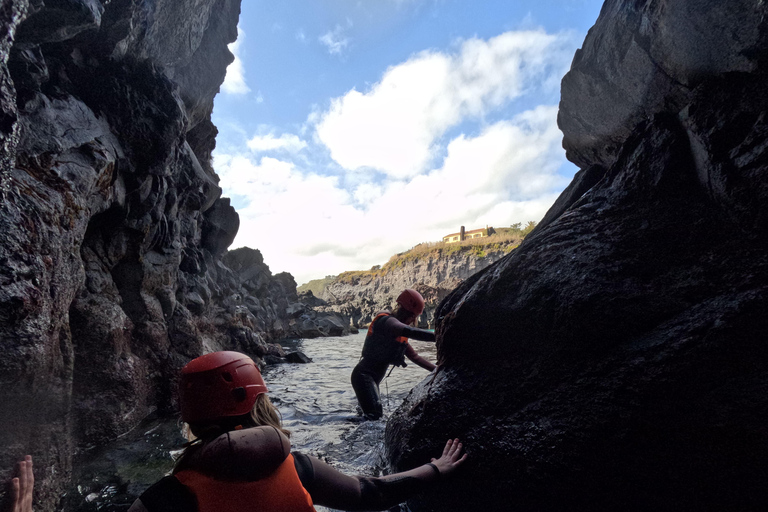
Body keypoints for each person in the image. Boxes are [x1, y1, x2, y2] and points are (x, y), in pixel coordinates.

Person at [129, 351, 466, 512]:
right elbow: (370, 492)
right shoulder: (298, 467)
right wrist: (436, 469)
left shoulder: (168, 495)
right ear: (258, 402)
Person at [351, 288, 437, 420]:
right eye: (411, 316)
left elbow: (415, 357)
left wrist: (436, 370)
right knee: (374, 415)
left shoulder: (399, 336)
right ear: (404, 311)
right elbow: (410, 331)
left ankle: (351, 427)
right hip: (363, 375)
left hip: (372, 378)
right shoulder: (387, 322)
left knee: (369, 415)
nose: (412, 320)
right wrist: (440, 335)